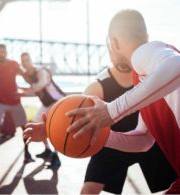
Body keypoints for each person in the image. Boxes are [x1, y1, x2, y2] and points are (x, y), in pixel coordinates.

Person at [23, 51, 176, 193]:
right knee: (88, 191)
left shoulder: (155, 78)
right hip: (108, 142)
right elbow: (75, 121)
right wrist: (51, 130)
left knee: (173, 186)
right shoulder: (97, 87)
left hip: (151, 140)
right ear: (112, 46)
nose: (122, 53)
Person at [65, 9, 180, 193]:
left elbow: (177, 65)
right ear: (146, 35)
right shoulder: (146, 76)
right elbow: (143, 140)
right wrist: (99, 136)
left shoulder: (144, 54)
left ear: (114, 43)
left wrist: (110, 111)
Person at [20, 52, 65, 168]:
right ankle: (48, 150)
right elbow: (32, 88)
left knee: (55, 129)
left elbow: (42, 83)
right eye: (23, 61)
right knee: (36, 124)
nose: (25, 62)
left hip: (57, 102)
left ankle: (56, 157)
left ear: (31, 60)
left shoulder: (41, 71)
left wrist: (24, 91)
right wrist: (19, 89)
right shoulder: (28, 75)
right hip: (46, 104)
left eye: (27, 59)